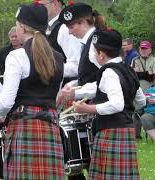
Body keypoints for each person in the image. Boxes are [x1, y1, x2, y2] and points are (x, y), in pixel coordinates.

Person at [0, 3, 65, 179]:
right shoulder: (59, 58)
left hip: (25, 126)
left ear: (22, 27)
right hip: (50, 126)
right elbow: (56, 98)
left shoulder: (17, 56)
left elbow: (7, 100)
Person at [73, 29, 146, 179]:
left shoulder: (108, 72)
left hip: (110, 131)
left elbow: (117, 104)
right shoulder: (128, 69)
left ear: (101, 54)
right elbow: (141, 101)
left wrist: (88, 108)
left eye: (95, 52)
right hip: (126, 130)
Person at [57, 3, 107, 179]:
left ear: (84, 22)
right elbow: (91, 75)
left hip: (100, 109)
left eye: (72, 27)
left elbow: (106, 78)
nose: (70, 32)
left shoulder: (95, 43)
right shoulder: (88, 42)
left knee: (94, 167)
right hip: (92, 107)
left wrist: (76, 93)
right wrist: (73, 85)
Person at [39, 0, 82, 84]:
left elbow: (76, 66)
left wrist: (46, 69)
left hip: (67, 89)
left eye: (42, 6)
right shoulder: (47, 27)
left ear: (54, 3)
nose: (39, 10)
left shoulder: (65, 28)